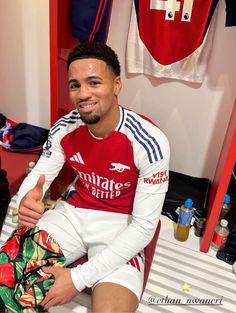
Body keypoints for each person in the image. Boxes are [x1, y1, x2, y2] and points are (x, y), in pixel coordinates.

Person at [0, 42, 170, 313]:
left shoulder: (150, 141)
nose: (83, 94)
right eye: (75, 85)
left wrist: (76, 279)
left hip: (122, 225)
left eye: (94, 82)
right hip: (73, 214)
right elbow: (40, 177)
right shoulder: (65, 128)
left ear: (116, 85)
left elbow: (143, 228)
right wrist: (25, 199)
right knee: (5, 280)